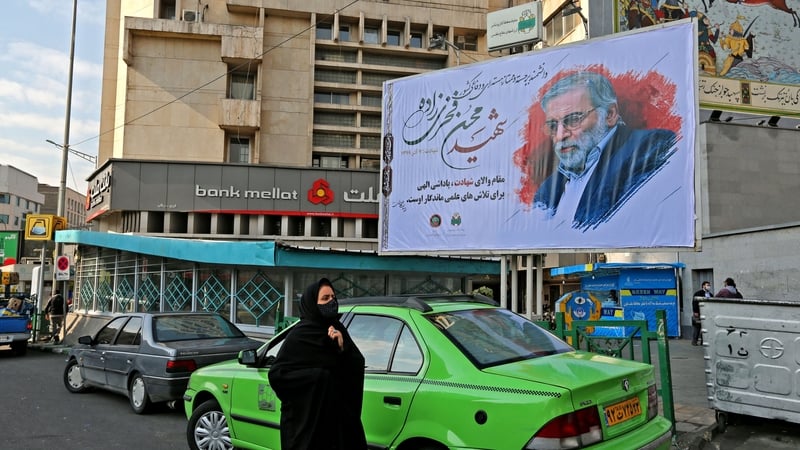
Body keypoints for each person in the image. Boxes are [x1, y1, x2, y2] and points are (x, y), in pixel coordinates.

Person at [532, 71, 679, 230]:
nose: (560, 136)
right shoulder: (547, 190)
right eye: (553, 126)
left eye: (574, 119)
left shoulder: (652, 149)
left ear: (610, 114)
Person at [267, 278, 367, 450]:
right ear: (312, 303)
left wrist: (342, 348)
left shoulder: (339, 330)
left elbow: (356, 366)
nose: (331, 302)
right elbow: (277, 375)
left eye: (333, 297)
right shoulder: (299, 336)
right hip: (307, 429)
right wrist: (317, 377)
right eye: (325, 298)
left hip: (339, 426)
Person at [691, 281, 712, 346]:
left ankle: (703, 341)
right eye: (707, 285)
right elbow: (694, 302)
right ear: (703, 286)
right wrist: (695, 311)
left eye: (709, 285)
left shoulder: (710, 294)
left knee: (705, 327)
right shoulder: (698, 293)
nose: (709, 286)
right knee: (697, 327)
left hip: (707, 313)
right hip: (699, 312)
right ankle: (694, 341)